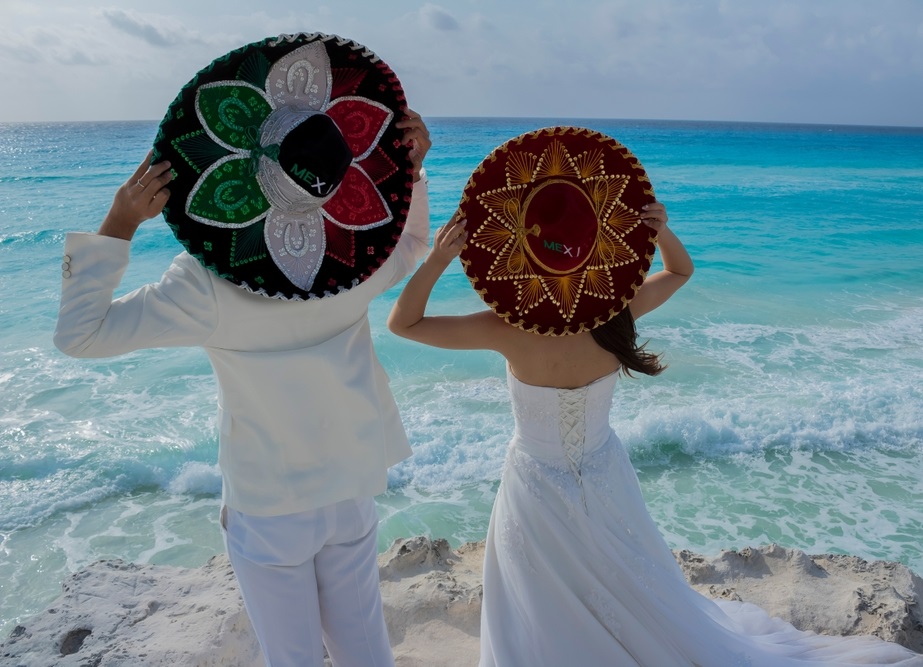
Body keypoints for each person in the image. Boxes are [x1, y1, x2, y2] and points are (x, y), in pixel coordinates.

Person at [388, 203, 923, 662]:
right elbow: (681, 271)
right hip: (603, 469)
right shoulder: (616, 310)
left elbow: (401, 324)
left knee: (541, 587)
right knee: (621, 574)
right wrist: (658, 228)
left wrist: (437, 260)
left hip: (533, 481)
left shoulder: (507, 327)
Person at [53, 105, 431, 666]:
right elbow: (410, 246)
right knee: (365, 648)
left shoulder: (209, 285)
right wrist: (412, 171)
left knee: (292, 656)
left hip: (268, 503)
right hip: (350, 481)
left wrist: (121, 223)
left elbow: (81, 334)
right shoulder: (354, 258)